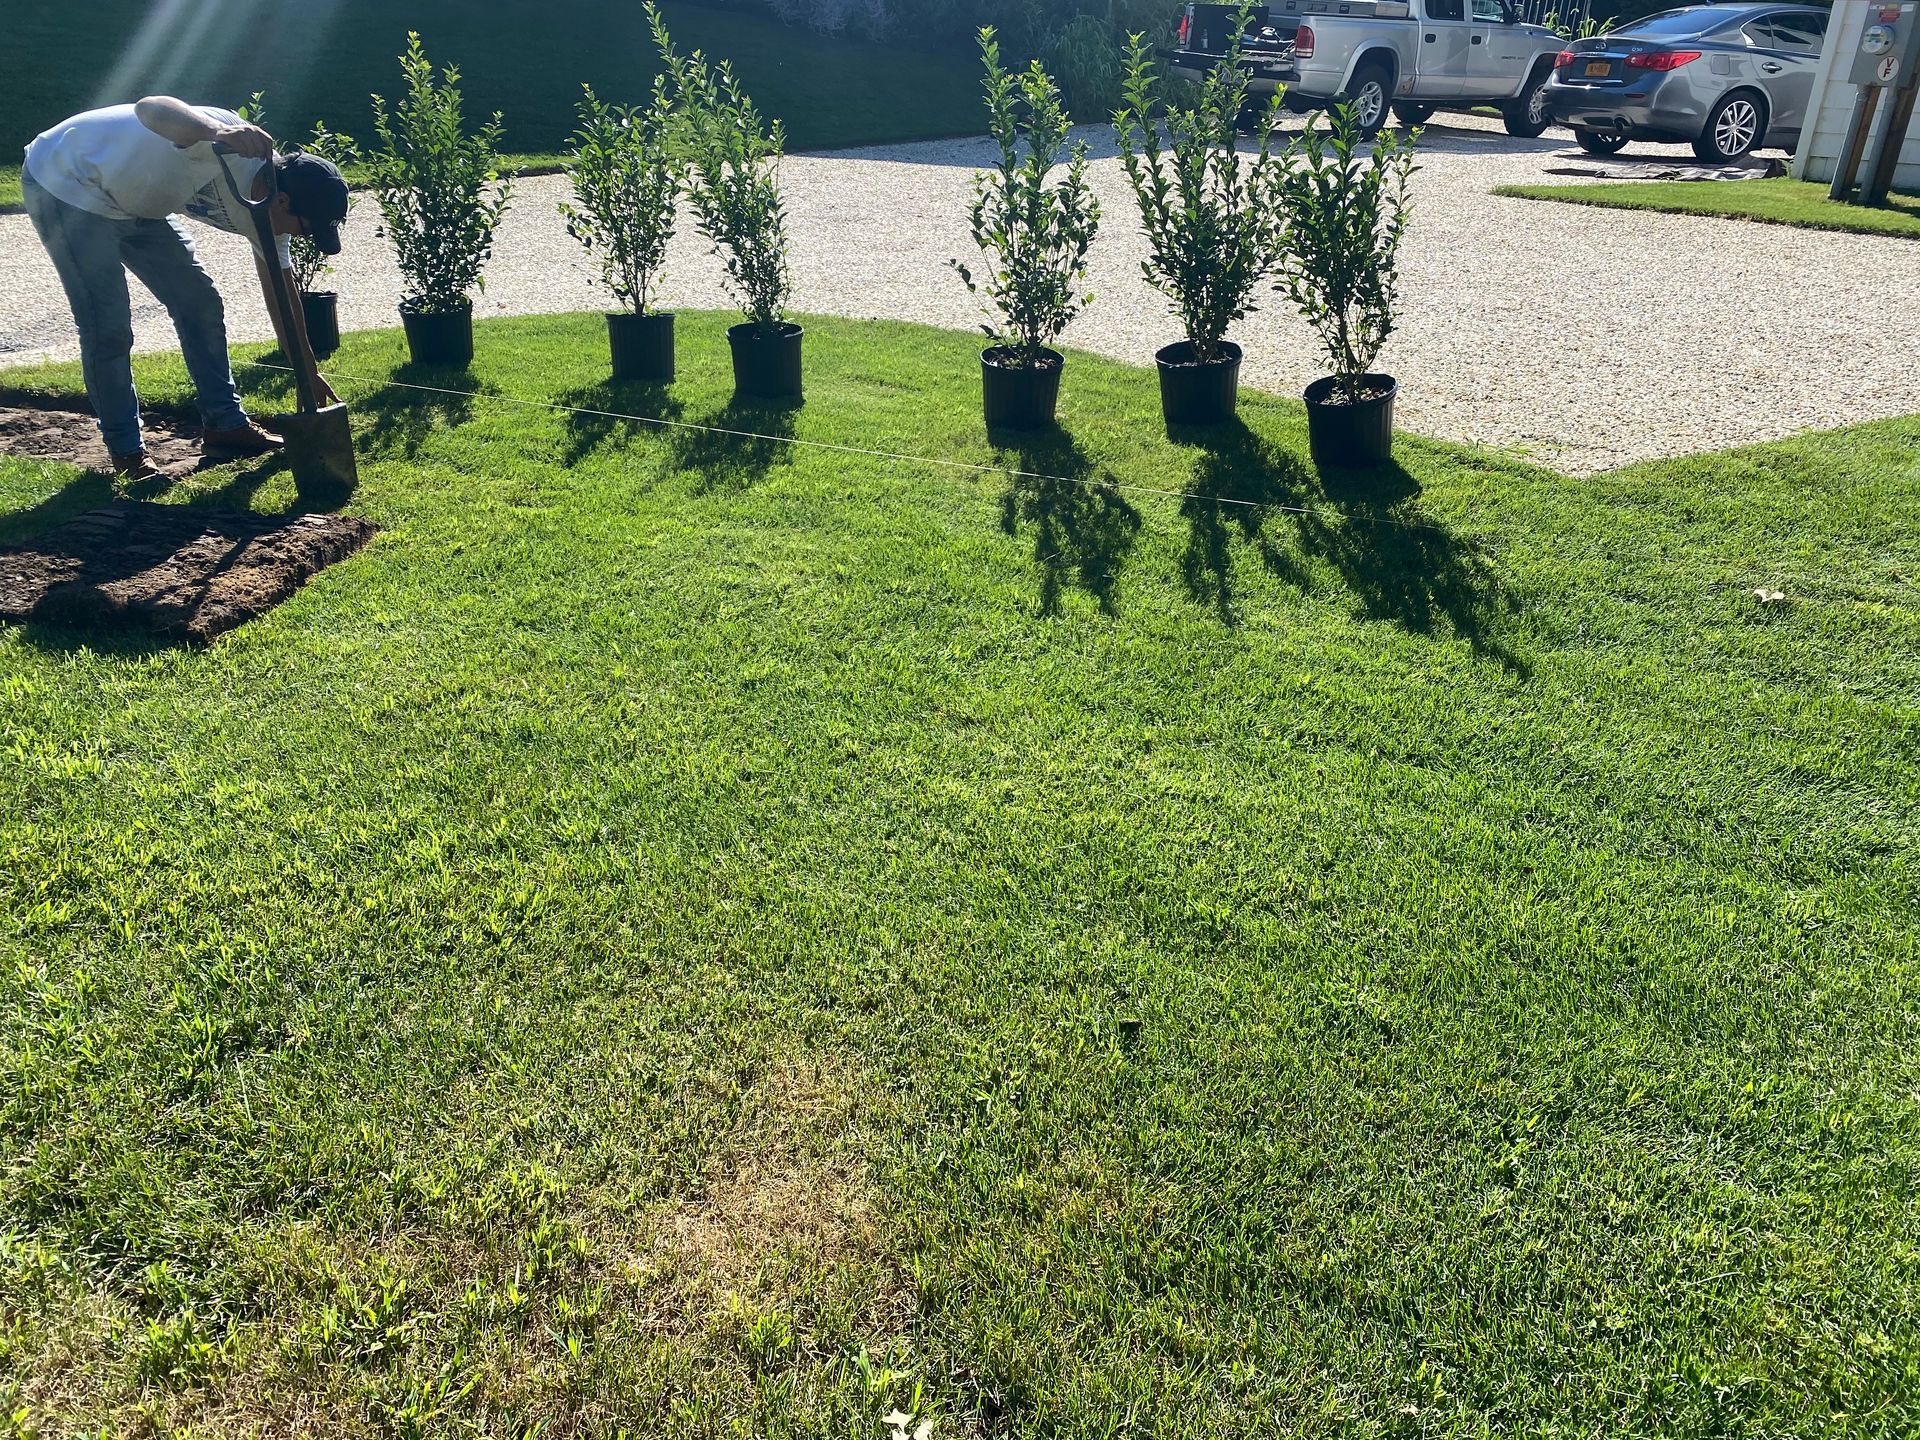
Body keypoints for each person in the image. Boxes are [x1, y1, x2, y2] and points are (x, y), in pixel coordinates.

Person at [21, 97, 351, 482]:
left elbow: (282, 293)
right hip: (71, 182)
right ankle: (127, 450)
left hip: (138, 205)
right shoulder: (227, 145)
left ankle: (225, 425)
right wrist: (217, 132)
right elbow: (149, 108)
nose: (302, 236)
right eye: (307, 228)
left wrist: (306, 370)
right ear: (283, 200)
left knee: (200, 304)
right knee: (107, 326)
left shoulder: (270, 220)